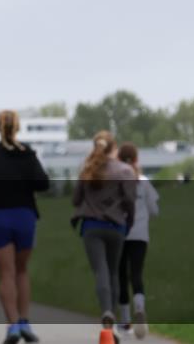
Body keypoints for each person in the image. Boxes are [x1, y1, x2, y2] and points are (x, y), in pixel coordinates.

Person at [0, 110, 50, 344]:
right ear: (17, 128)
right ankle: (25, 321)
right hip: (24, 216)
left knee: (6, 274)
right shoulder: (28, 154)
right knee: (22, 271)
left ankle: (14, 325)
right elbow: (43, 183)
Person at [72, 130, 137, 337]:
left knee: (100, 271)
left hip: (91, 227)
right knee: (114, 272)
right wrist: (129, 221)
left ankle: (106, 314)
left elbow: (76, 200)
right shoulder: (125, 171)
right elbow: (130, 201)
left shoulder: (88, 169)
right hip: (116, 226)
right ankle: (115, 317)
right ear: (114, 147)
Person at [116, 142, 159, 340]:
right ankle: (140, 308)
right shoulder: (142, 181)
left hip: (119, 234)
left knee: (121, 275)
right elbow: (154, 210)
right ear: (136, 160)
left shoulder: (115, 181)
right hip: (140, 235)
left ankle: (125, 321)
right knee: (136, 274)